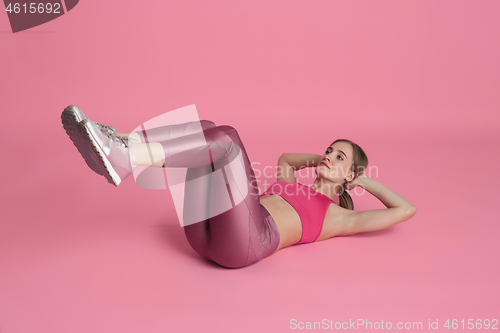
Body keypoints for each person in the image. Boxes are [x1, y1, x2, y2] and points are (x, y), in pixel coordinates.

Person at [61, 105, 417, 268]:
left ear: (350, 177)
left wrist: (361, 178)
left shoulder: (337, 217)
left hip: (246, 245)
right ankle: (118, 143)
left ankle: (124, 155)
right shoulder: (288, 183)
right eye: (328, 150)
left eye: (338, 157)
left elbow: (406, 210)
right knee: (209, 126)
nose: (327, 156)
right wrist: (328, 162)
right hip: (205, 234)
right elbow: (287, 158)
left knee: (226, 139)